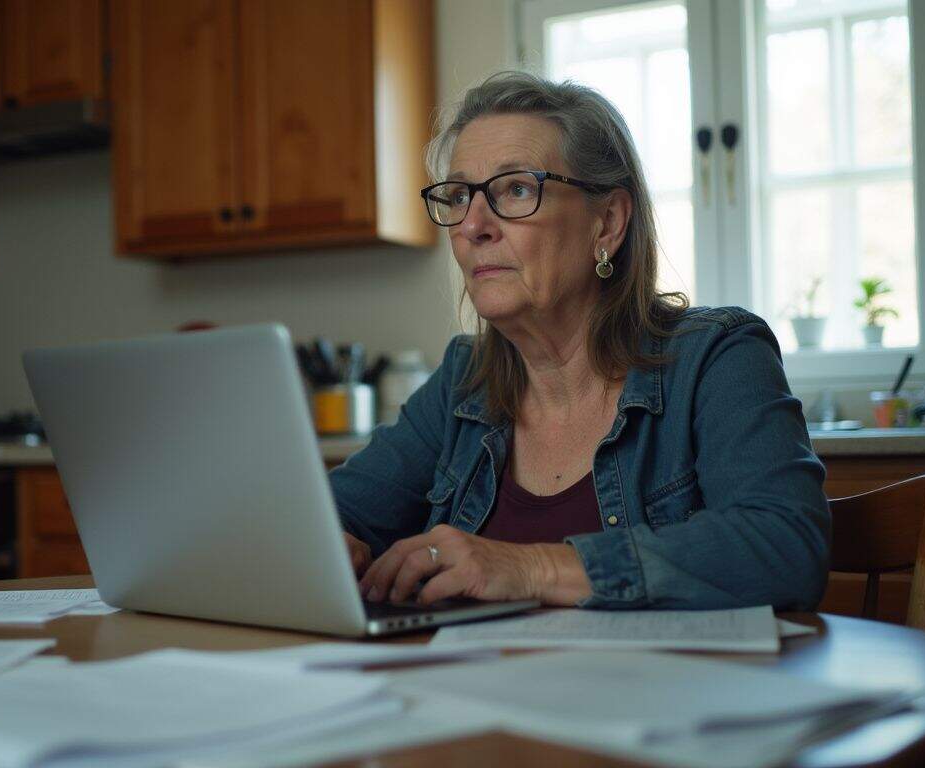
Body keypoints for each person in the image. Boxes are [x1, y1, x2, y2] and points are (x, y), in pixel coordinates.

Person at [332, 71, 829, 611]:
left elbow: (785, 549)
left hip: (661, 692)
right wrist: (323, 549)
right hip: (469, 691)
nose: (473, 226)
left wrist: (533, 567)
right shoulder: (463, 380)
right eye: (457, 196)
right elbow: (328, 518)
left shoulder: (716, 358)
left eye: (516, 189)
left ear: (608, 222)